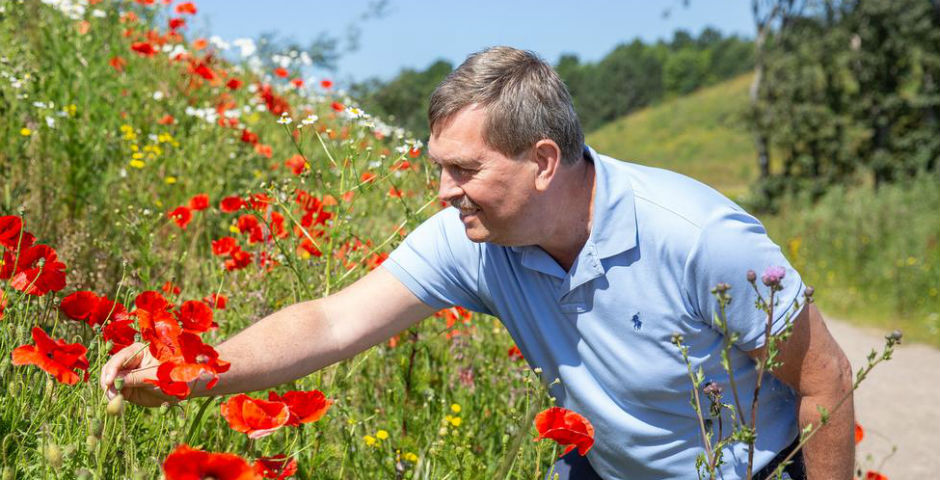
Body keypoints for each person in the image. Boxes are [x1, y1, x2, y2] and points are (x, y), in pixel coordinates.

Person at [101, 46, 854, 479]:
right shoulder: (477, 238)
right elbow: (333, 320)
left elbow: (825, 376)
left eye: (463, 169)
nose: (442, 193)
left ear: (544, 161)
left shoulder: (697, 237)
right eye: (439, 167)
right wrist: (193, 371)